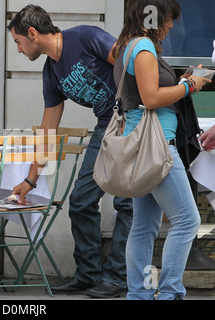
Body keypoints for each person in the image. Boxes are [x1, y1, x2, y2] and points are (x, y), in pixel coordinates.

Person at [8, 5, 133, 298]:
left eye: (17, 41)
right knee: (81, 200)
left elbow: (130, 65)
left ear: (32, 33)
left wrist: (140, 113)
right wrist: (30, 180)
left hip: (134, 119)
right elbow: (47, 130)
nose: (18, 50)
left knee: (127, 203)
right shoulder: (51, 72)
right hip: (106, 126)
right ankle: (88, 274)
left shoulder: (85, 37)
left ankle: (118, 277)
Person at [112, 0, 211, 300]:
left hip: (143, 147)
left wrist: (180, 83)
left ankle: (141, 295)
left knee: (144, 225)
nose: (170, 25)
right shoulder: (143, 48)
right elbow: (151, 98)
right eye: (168, 19)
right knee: (188, 221)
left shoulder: (129, 45)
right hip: (156, 148)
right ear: (152, 17)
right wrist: (189, 86)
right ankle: (169, 293)